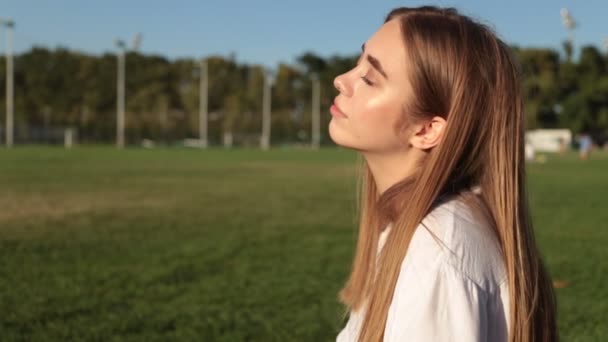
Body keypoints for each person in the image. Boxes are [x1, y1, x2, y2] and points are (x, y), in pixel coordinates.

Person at [329, 6, 558, 342]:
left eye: (369, 79)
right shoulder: (424, 231)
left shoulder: (435, 254)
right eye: (359, 62)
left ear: (427, 130)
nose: (341, 80)